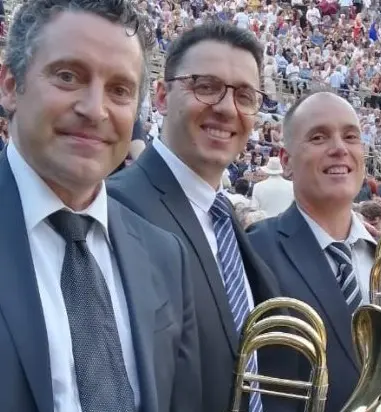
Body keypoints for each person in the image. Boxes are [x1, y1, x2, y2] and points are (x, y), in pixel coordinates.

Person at [0, 1, 201, 411]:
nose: (95, 110)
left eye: (119, 90)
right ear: (9, 86)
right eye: (68, 76)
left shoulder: (165, 257)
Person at [107, 23, 295, 411]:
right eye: (205, 86)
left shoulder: (224, 218)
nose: (227, 109)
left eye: (245, 95)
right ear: (161, 96)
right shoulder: (116, 208)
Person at [246, 91, 381, 412]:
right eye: (318, 137)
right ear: (286, 163)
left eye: (350, 136)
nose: (339, 148)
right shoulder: (254, 250)